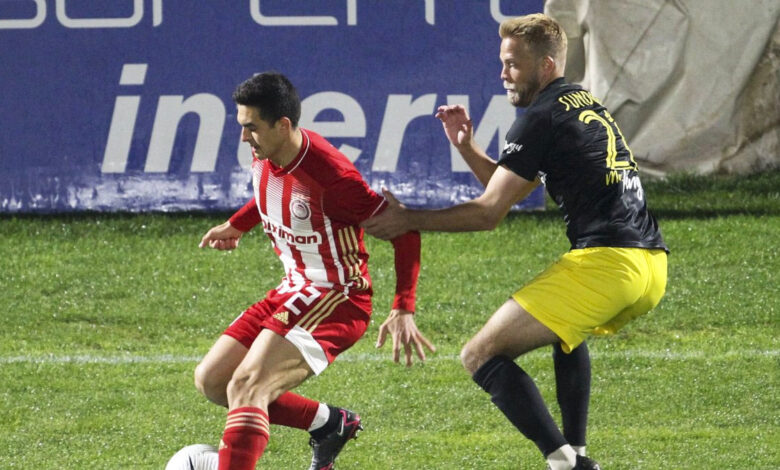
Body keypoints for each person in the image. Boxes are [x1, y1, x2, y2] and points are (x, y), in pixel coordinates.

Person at [361, 13, 668, 470]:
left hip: (608, 266)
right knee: (566, 334)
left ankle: (567, 464)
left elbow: (489, 213)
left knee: (479, 354)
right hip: (650, 266)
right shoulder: (583, 103)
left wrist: (408, 219)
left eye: (513, 64)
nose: (503, 74)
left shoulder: (540, 118)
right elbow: (511, 190)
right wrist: (466, 147)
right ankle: (577, 453)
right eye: (502, 62)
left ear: (546, 65)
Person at [193, 71, 435, 470]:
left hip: (337, 297)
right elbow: (273, 194)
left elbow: (405, 231)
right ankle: (330, 424)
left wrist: (403, 307)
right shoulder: (267, 151)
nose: (243, 137)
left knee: (247, 385)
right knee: (214, 380)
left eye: (251, 127)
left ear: (282, 125)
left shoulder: (333, 178)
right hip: (293, 288)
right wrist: (237, 224)